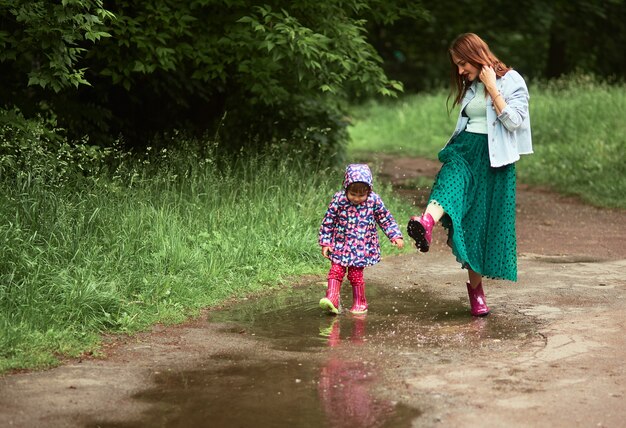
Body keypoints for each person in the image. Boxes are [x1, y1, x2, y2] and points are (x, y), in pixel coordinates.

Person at [407, 33, 532, 317]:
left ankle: (476, 291)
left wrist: (492, 87)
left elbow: (514, 123)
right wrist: (479, 84)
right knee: (448, 182)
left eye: (463, 64)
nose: (461, 71)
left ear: (478, 55)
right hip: (465, 150)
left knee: (476, 225)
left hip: (495, 160)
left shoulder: (512, 80)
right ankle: (425, 222)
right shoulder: (470, 85)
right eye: (458, 66)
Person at [319, 163, 404, 315]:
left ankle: (360, 302)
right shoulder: (339, 200)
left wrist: (394, 235)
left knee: (355, 275)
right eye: (352, 194)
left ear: (368, 191)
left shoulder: (373, 201)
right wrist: (326, 242)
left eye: (361, 195)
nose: (357, 198)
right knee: (335, 271)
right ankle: (332, 298)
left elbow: (385, 219)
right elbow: (329, 221)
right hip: (340, 244)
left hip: (361, 247)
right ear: (346, 188)